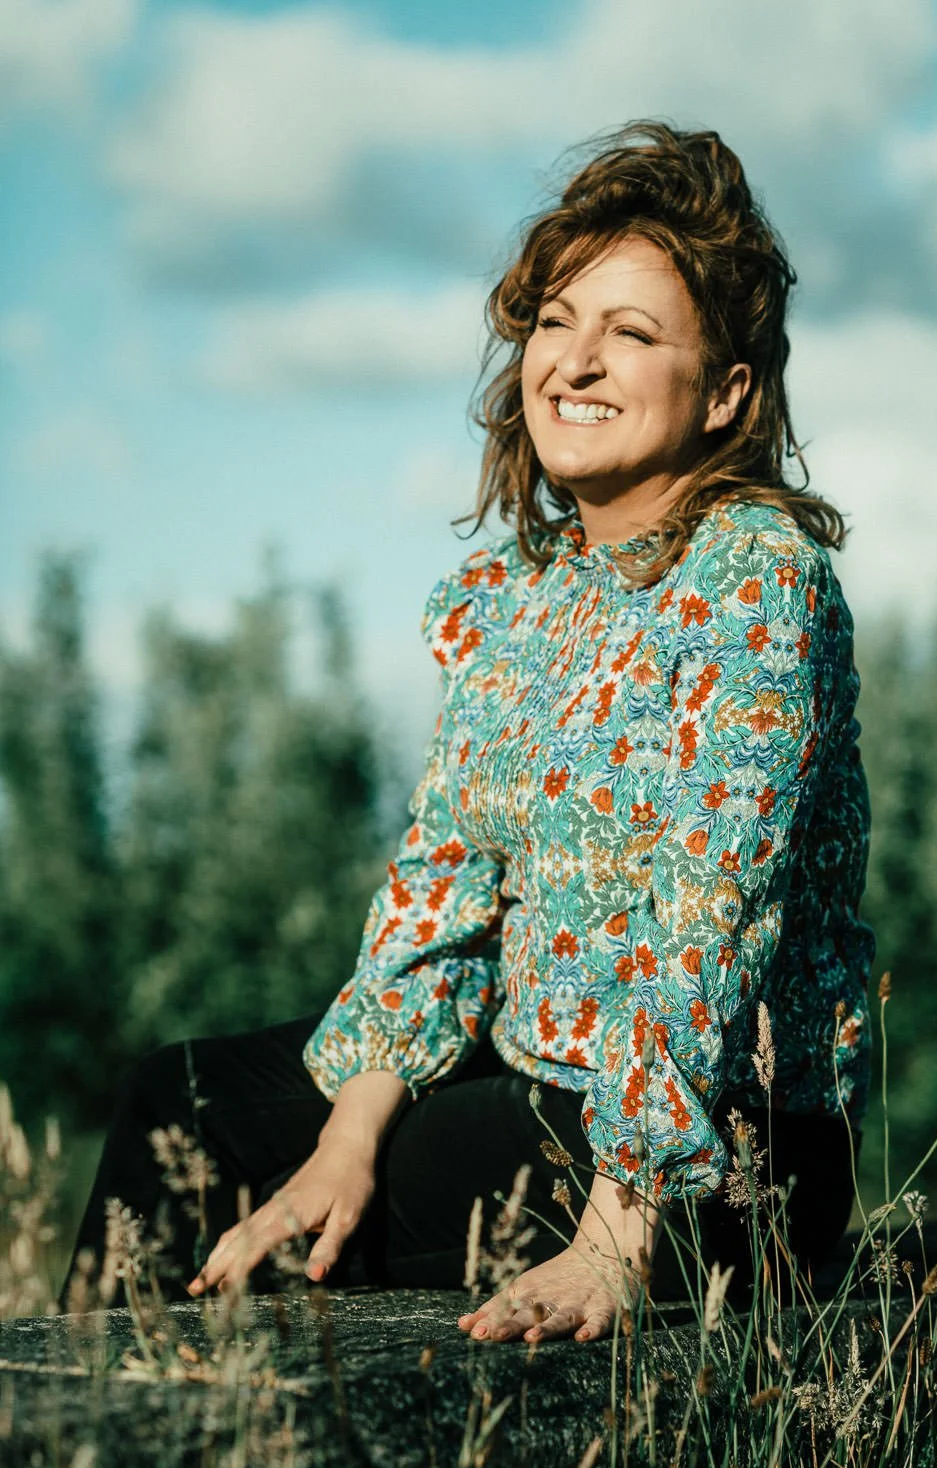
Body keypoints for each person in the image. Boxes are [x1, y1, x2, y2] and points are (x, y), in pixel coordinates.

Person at [66, 120, 875, 1345]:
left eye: (633, 334)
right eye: (557, 322)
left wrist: (618, 1235)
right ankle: (64, 1441)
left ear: (727, 395)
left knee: (250, 1200)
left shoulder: (756, 584)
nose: (577, 363)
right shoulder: (521, 605)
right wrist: (346, 1139)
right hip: (539, 1089)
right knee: (186, 1101)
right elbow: (444, 893)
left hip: (713, 1155)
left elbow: (713, 923)